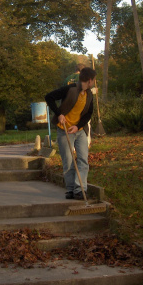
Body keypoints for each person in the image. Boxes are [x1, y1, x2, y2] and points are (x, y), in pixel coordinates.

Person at [45, 67, 96, 200]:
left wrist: (78, 126)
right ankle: (71, 190)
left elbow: (89, 113)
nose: (94, 82)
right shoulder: (70, 89)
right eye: (94, 80)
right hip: (64, 130)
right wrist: (59, 114)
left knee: (83, 160)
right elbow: (49, 97)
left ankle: (80, 190)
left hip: (79, 131)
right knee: (68, 161)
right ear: (90, 80)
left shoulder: (89, 94)